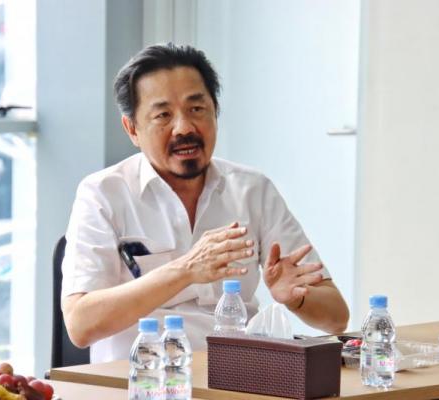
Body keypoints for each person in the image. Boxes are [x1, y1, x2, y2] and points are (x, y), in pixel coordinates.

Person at [61, 43, 349, 362]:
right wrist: (186, 269)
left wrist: (297, 299)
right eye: (163, 115)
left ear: (215, 112)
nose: (184, 128)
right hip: (142, 378)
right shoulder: (103, 193)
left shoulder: (252, 189)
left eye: (196, 109)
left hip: (238, 376)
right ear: (132, 129)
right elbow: (80, 325)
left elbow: (337, 318)